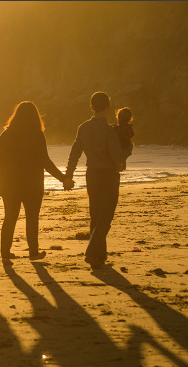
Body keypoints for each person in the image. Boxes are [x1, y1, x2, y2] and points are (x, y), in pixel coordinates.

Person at [0, 101, 72, 264]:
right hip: (32, 184)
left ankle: (5, 254)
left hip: (10, 184)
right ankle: (33, 252)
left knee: (10, 218)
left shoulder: (6, 134)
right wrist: (63, 178)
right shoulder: (37, 134)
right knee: (32, 218)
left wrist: (0, 179)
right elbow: (45, 161)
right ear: (35, 117)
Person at [65, 91, 132, 269]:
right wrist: (129, 150)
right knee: (106, 216)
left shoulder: (83, 128)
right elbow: (116, 155)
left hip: (92, 175)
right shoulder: (109, 131)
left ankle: (99, 256)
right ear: (108, 107)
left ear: (91, 107)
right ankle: (92, 250)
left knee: (95, 215)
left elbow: (75, 154)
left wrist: (69, 175)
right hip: (108, 175)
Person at [113, 107, 134, 171]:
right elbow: (131, 135)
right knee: (123, 156)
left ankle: (120, 165)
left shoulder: (116, 127)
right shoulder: (128, 127)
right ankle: (122, 165)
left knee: (121, 156)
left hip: (119, 145)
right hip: (126, 145)